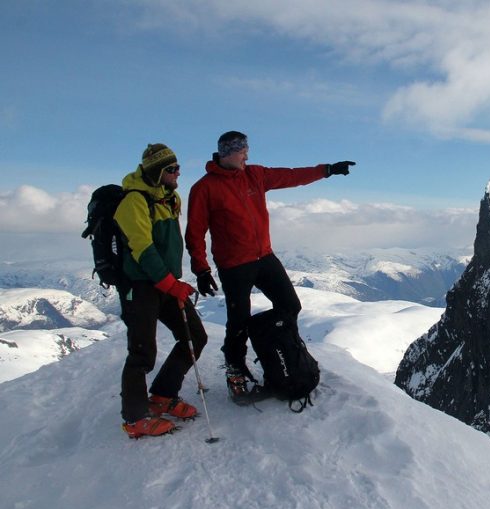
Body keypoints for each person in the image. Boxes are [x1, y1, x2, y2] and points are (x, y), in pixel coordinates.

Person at [185, 130, 354, 404]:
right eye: (242, 152)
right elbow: (194, 232)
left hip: (264, 257)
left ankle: (287, 354)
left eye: (246, 151)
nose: (247, 156)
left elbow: (291, 176)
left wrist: (327, 170)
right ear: (228, 153)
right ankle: (235, 373)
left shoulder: (256, 175)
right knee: (238, 322)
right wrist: (201, 269)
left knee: (290, 306)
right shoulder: (204, 188)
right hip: (234, 265)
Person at [116, 143, 208, 438]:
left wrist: (173, 280)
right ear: (158, 172)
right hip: (140, 285)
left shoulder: (170, 198)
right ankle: (135, 418)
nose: (178, 172)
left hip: (166, 281)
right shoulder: (134, 201)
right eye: (172, 169)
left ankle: (162, 396)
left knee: (195, 336)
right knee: (142, 352)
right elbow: (143, 248)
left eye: (177, 167)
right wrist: (171, 283)